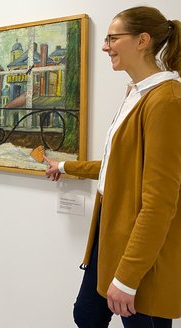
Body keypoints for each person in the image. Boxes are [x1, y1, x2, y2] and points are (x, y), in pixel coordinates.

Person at [45, 6, 181, 328]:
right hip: (109, 229)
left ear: (142, 41)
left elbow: (161, 201)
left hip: (139, 243)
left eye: (112, 38)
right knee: (87, 316)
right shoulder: (136, 92)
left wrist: (129, 276)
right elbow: (118, 165)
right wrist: (65, 166)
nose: (105, 46)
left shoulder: (167, 100)